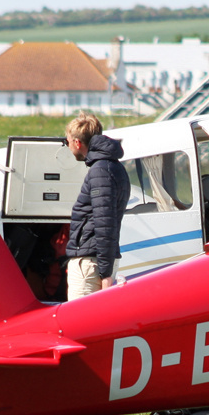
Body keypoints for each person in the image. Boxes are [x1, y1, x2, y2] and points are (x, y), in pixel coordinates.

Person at [64, 114, 128, 300]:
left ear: (77, 143)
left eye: (66, 142)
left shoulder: (101, 171)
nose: (67, 146)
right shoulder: (112, 167)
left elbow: (105, 223)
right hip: (97, 261)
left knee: (78, 324)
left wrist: (105, 275)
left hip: (91, 265)